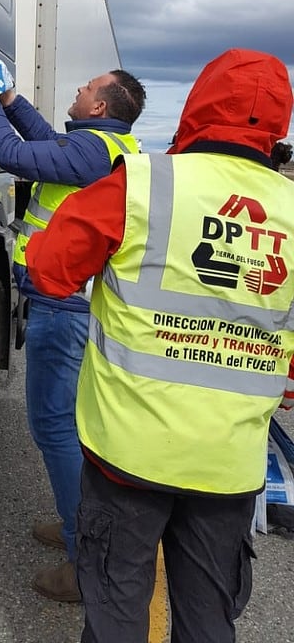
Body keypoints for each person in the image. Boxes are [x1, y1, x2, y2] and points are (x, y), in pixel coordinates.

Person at [26, 48, 294, 643]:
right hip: (227, 464)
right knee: (206, 618)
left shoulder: (143, 183)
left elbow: (48, 269)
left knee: (119, 607)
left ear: (197, 106)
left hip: (127, 452)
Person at [0, 62, 146, 602]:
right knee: (70, 427)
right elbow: (45, 144)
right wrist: (14, 100)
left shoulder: (92, 151)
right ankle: (81, 527)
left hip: (62, 307)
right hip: (74, 304)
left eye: (85, 88)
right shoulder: (109, 150)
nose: (77, 88)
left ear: (99, 108)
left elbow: (16, 155)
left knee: (55, 429)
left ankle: (82, 553)